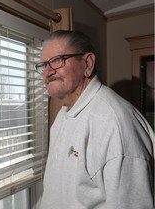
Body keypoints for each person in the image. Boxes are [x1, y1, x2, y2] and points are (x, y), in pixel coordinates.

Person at [36, 30, 154, 209]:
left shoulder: (116, 125)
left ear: (87, 64)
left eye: (57, 60)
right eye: (44, 64)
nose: (47, 72)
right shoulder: (64, 114)